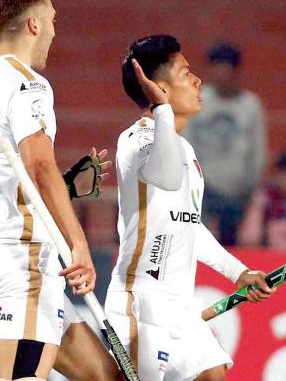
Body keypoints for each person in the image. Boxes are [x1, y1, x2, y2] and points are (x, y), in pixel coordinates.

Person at [0, 0, 119, 381]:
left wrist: (64, 187)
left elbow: (7, 171)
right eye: (52, 19)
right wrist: (78, 245)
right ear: (34, 25)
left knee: (106, 377)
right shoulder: (27, 83)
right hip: (25, 263)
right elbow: (38, 168)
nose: (55, 30)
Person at [106, 35, 274, 381]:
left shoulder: (186, 151)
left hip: (181, 308)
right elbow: (165, 177)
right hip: (140, 303)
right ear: (158, 89)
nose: (197, 80)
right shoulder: (135, 141)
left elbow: (189, 224)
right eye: (185, 74)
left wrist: (238, 272)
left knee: (213, 375)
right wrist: (163, 111)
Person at [184, 42, 267, 245]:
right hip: (203, 189)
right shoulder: (196, 101)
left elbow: (258, 150)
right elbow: (186, 143)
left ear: (236, 74)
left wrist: (249, 185)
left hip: (238, 191)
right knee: (200, 244)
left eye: (227, 74)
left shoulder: (250, 105)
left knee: (230, 247)